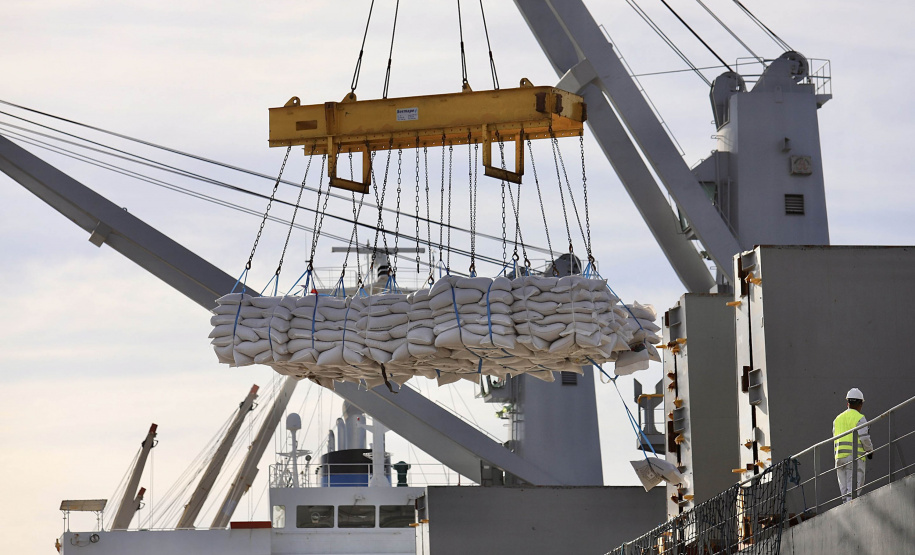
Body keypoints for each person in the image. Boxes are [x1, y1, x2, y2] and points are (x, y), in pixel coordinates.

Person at [833, 388, 874, 503]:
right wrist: (870, 451)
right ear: (861, 404)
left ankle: (846, 507)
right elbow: (864, 438)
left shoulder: (837, 419)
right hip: (853, 458)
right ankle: (851, 508)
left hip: (839, 458)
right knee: (854, 490)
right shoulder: (859, 418)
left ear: (848, 403)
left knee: (844, 491)